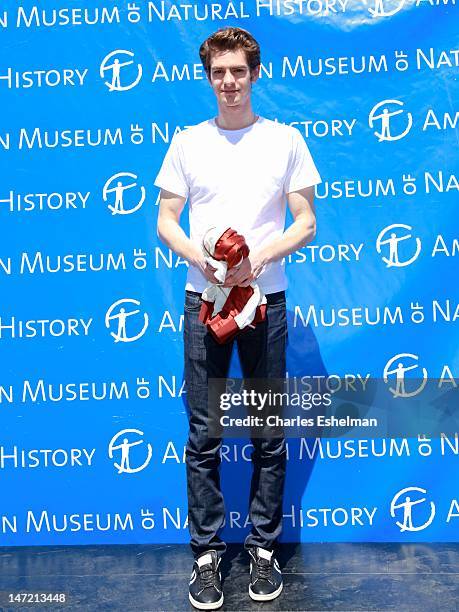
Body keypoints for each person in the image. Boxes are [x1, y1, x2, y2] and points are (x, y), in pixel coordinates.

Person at [154, 26, 321, 610]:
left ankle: (263, 550)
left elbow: (305, 222)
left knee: (268, 432)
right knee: (204, 432)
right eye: (219, 72)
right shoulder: (186, 143)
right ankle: (205, 556)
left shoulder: (285, 141)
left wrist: (257, 260)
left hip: (264, 305)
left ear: (255, 74)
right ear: (209, 77)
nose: (229, 82)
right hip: (204, 303)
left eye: (239, 71)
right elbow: (166, 220)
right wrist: (201, 258)